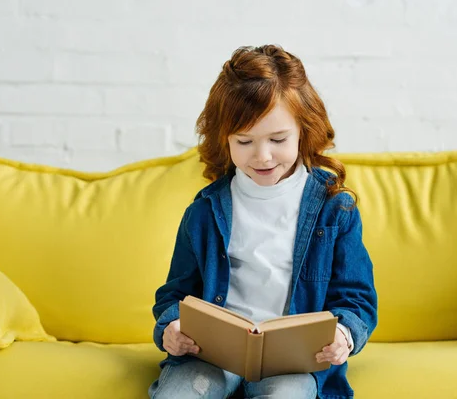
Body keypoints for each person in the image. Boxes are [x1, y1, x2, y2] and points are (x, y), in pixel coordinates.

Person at [149, 44, 377, 399]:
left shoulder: (335, 210)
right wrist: (170, 329)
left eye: (278, 139)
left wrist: (344, 335)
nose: (263, 155)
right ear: (224, 139)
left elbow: (357, 299)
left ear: (304, 129)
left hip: (293, 363)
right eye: (245, 141)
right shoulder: (205, 212)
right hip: (211, 357)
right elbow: (174, 295)